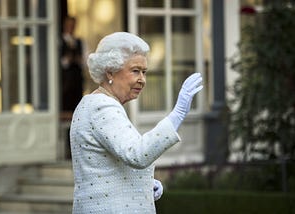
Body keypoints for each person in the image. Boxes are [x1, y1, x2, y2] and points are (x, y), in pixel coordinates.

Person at [70, 32, 203, 213]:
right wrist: (177, 115)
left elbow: (108, 164)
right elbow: (137, 154)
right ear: (110, 71)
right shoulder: (102, 107)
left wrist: (142, 183)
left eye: (144, 72)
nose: (142, 79)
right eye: (135, 71)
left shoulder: (97, 103)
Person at [60, 16, 84, 112]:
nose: (71, 27)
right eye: (69, 25)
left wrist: (79, 60)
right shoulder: (59, 41)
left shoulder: (79, 41)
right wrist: (67, 60)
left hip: (77, 77)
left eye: (72, 25)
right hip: (64, 79)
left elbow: (84, 61)